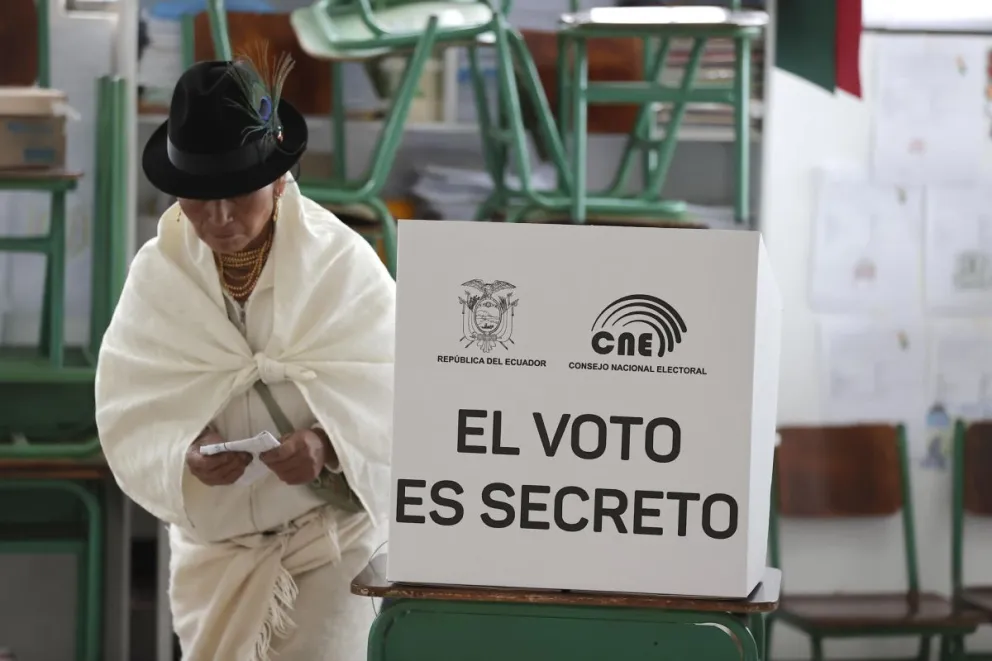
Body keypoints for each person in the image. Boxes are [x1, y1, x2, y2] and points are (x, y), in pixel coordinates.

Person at [95, 53, 394, 661]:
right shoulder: (160, 277)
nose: (221, 219)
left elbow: (398, 388)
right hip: (217, 559)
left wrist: (326, 444)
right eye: (198, 201)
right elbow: (132, 403)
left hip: (331, 547)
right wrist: (185, 445)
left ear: (280, 180)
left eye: (237, 195)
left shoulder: (342, 265)